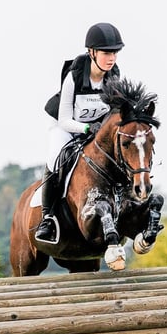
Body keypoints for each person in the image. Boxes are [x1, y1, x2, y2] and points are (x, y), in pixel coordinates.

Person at [35, 22, 124, 244]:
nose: (111, 57)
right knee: (55, 156)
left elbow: (115, 112)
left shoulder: (113, 76)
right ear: (92, 52)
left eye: (114, 52)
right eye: (106, 52)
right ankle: (47, 218)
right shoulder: (74, 75)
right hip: (68, 129)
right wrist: (87, 128)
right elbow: (64, 119)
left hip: (96, 133)